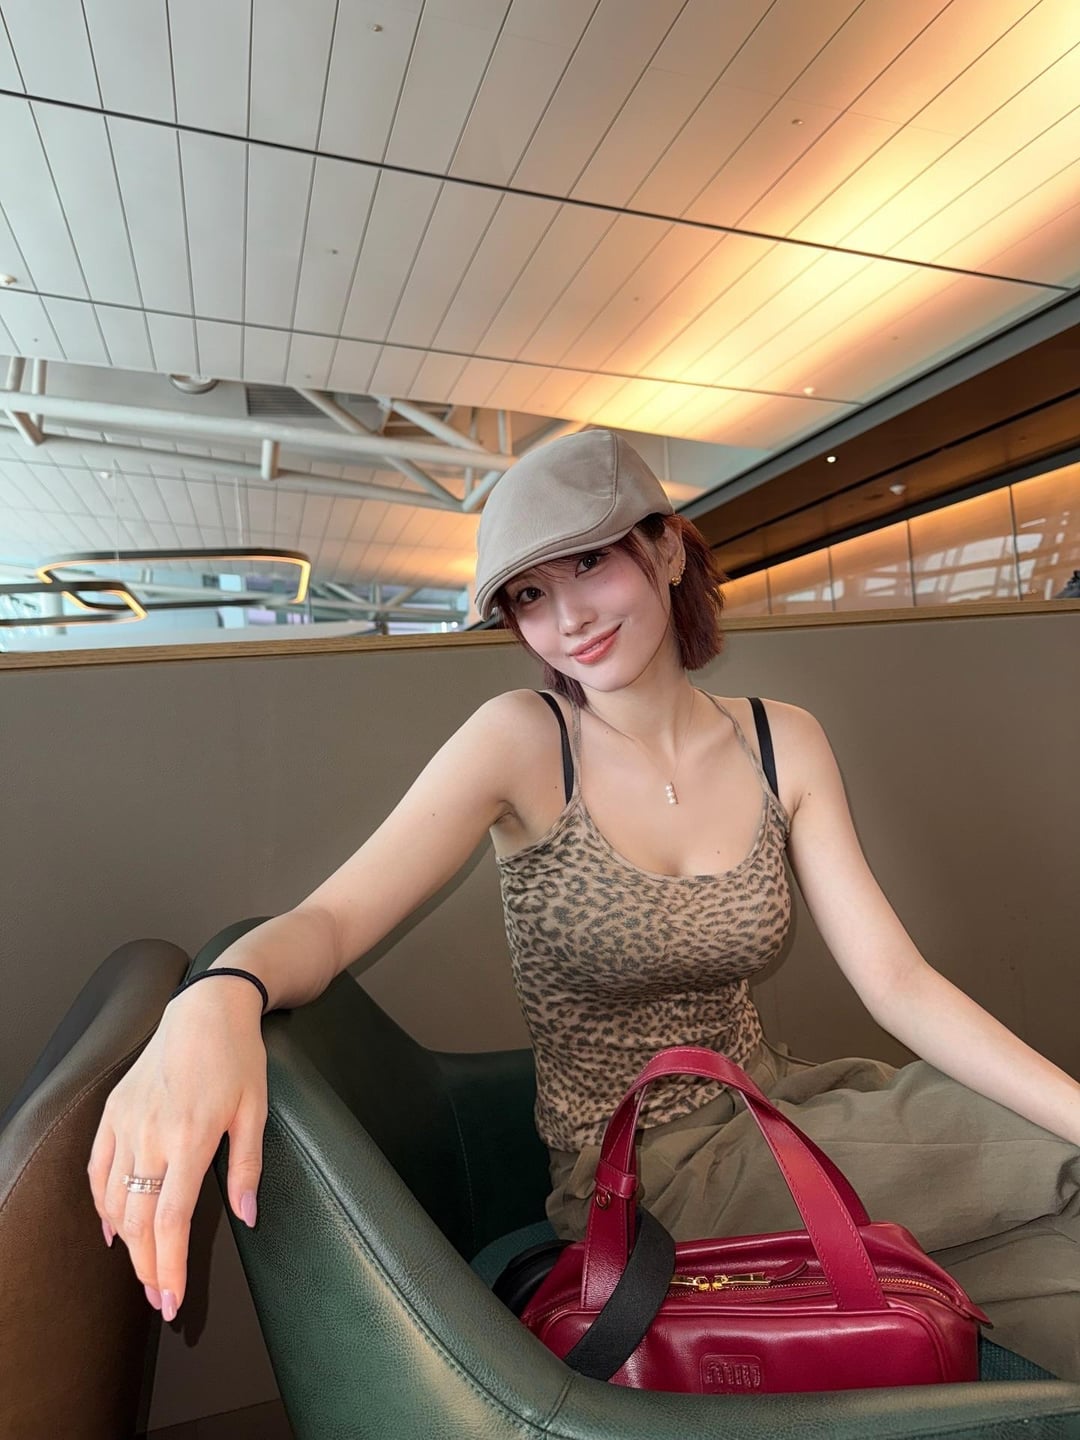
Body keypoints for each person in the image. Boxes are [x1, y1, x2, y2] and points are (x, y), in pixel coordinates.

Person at [89, 429, 1080, 1378]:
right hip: (643, 1177)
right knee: (1053, 1159)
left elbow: (897, 984)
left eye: (591, 563)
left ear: (669, 550)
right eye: (530, 593)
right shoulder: (522, 740)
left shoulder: (783, 740)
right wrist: (217, 995)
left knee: (1052, 1266)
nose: (568, 617)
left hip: (778, 1108)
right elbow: (333, 920)